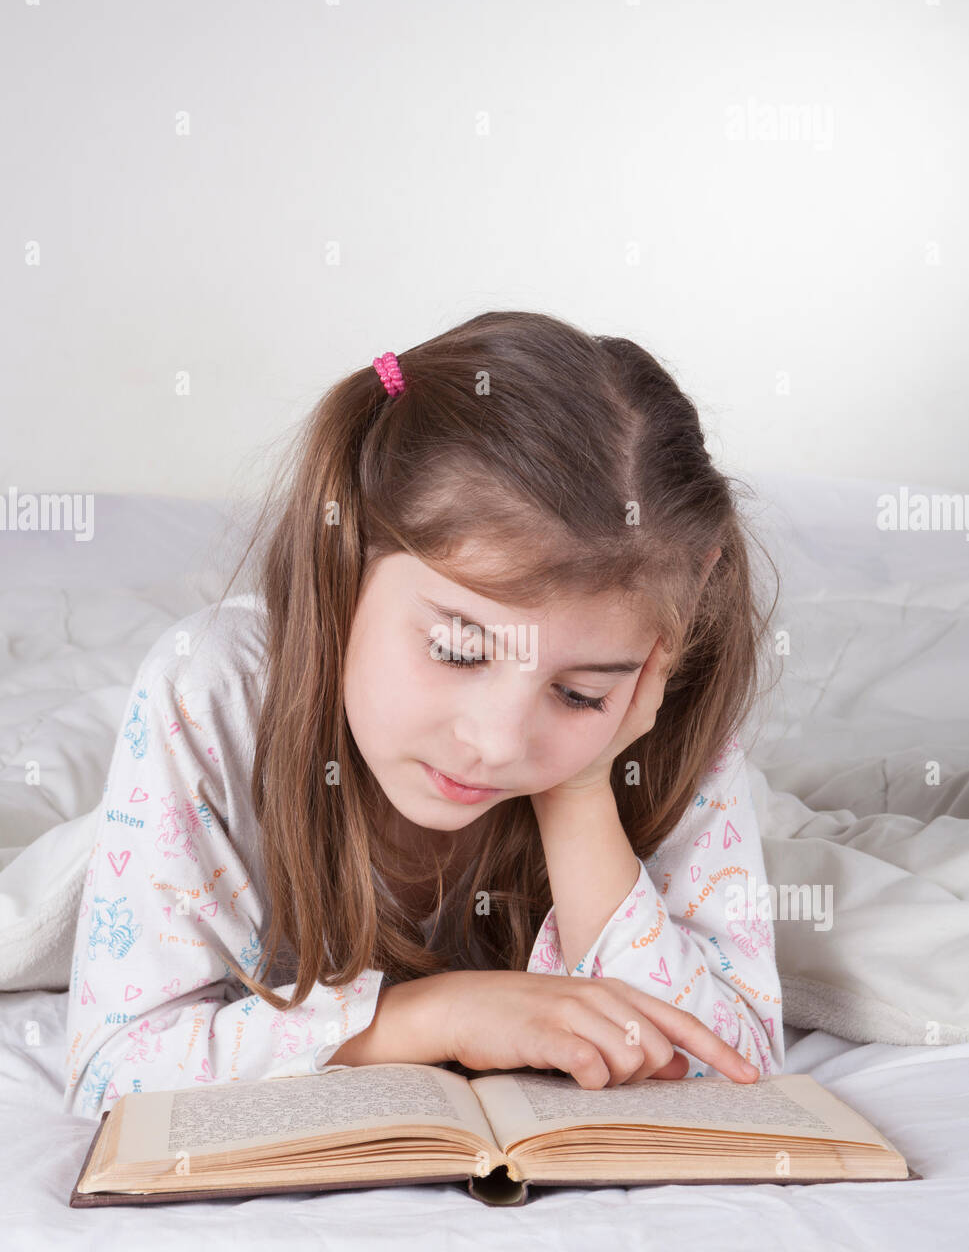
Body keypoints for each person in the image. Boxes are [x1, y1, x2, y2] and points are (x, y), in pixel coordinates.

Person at [63, 310, 785, 1122]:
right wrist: (431, 1016)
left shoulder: (647, 715)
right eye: (457, 651)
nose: (496, 743)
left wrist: (582, 792)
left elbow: (731, 1066)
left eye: (577, 692)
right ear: (346, 564)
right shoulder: (210, 691)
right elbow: (112, 1072)